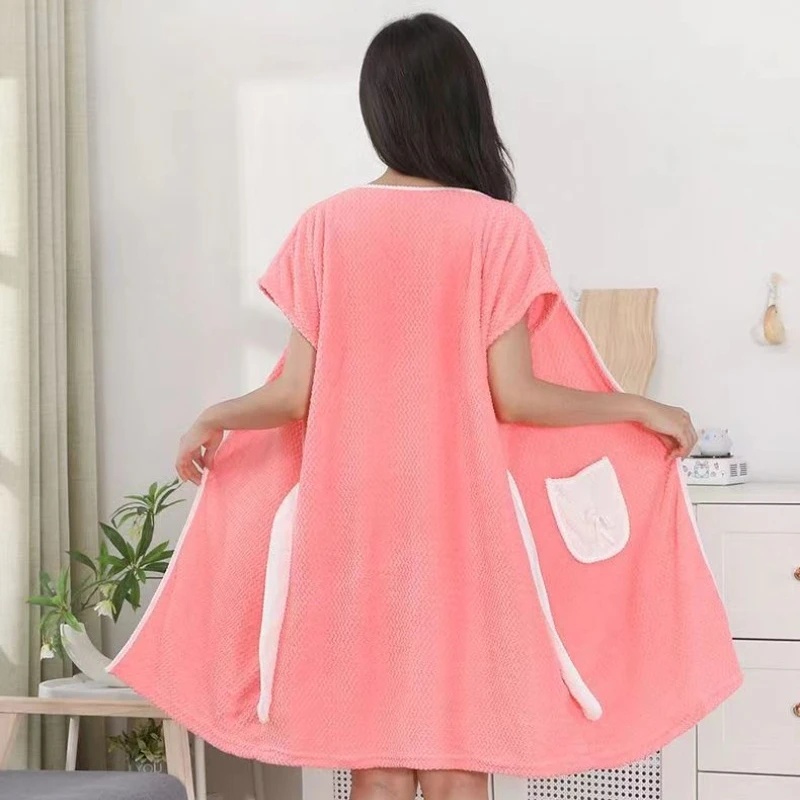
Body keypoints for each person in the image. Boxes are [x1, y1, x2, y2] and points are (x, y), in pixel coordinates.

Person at [110, 13, 741, 800]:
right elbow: (518, 397)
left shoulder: (325, 226)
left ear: (379, 108)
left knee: (375, 760)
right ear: (463, 104)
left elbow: (292, 395)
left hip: (352, 528)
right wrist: (638, 407)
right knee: (455, 756)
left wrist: (212, 417)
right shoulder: (496, 230)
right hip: (462, 530)